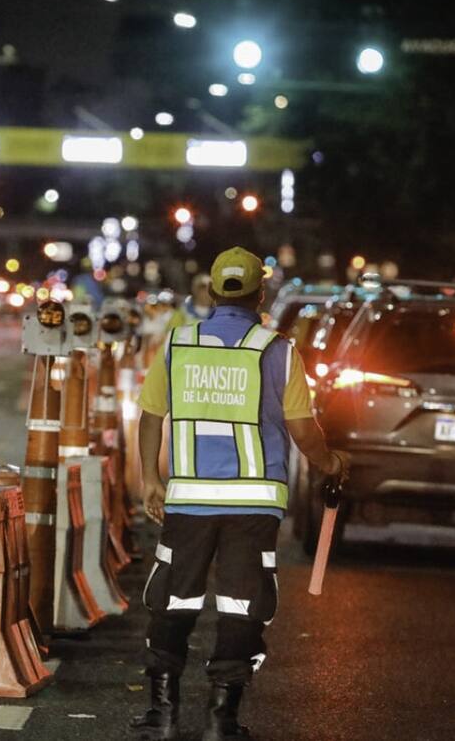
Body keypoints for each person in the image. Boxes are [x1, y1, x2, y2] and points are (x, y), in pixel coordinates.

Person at [130, 247, 350, 741]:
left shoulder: (179, 343)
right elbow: (303, 430)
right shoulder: (278, 351)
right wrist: (331, 463)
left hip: (189, 501)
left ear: (211, 291)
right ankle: (221, 720)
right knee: (241, 605)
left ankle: (162, 715)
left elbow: (150, 416)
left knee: (173, 600)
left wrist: (150, 479)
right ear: (260, 294)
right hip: (254, 505)